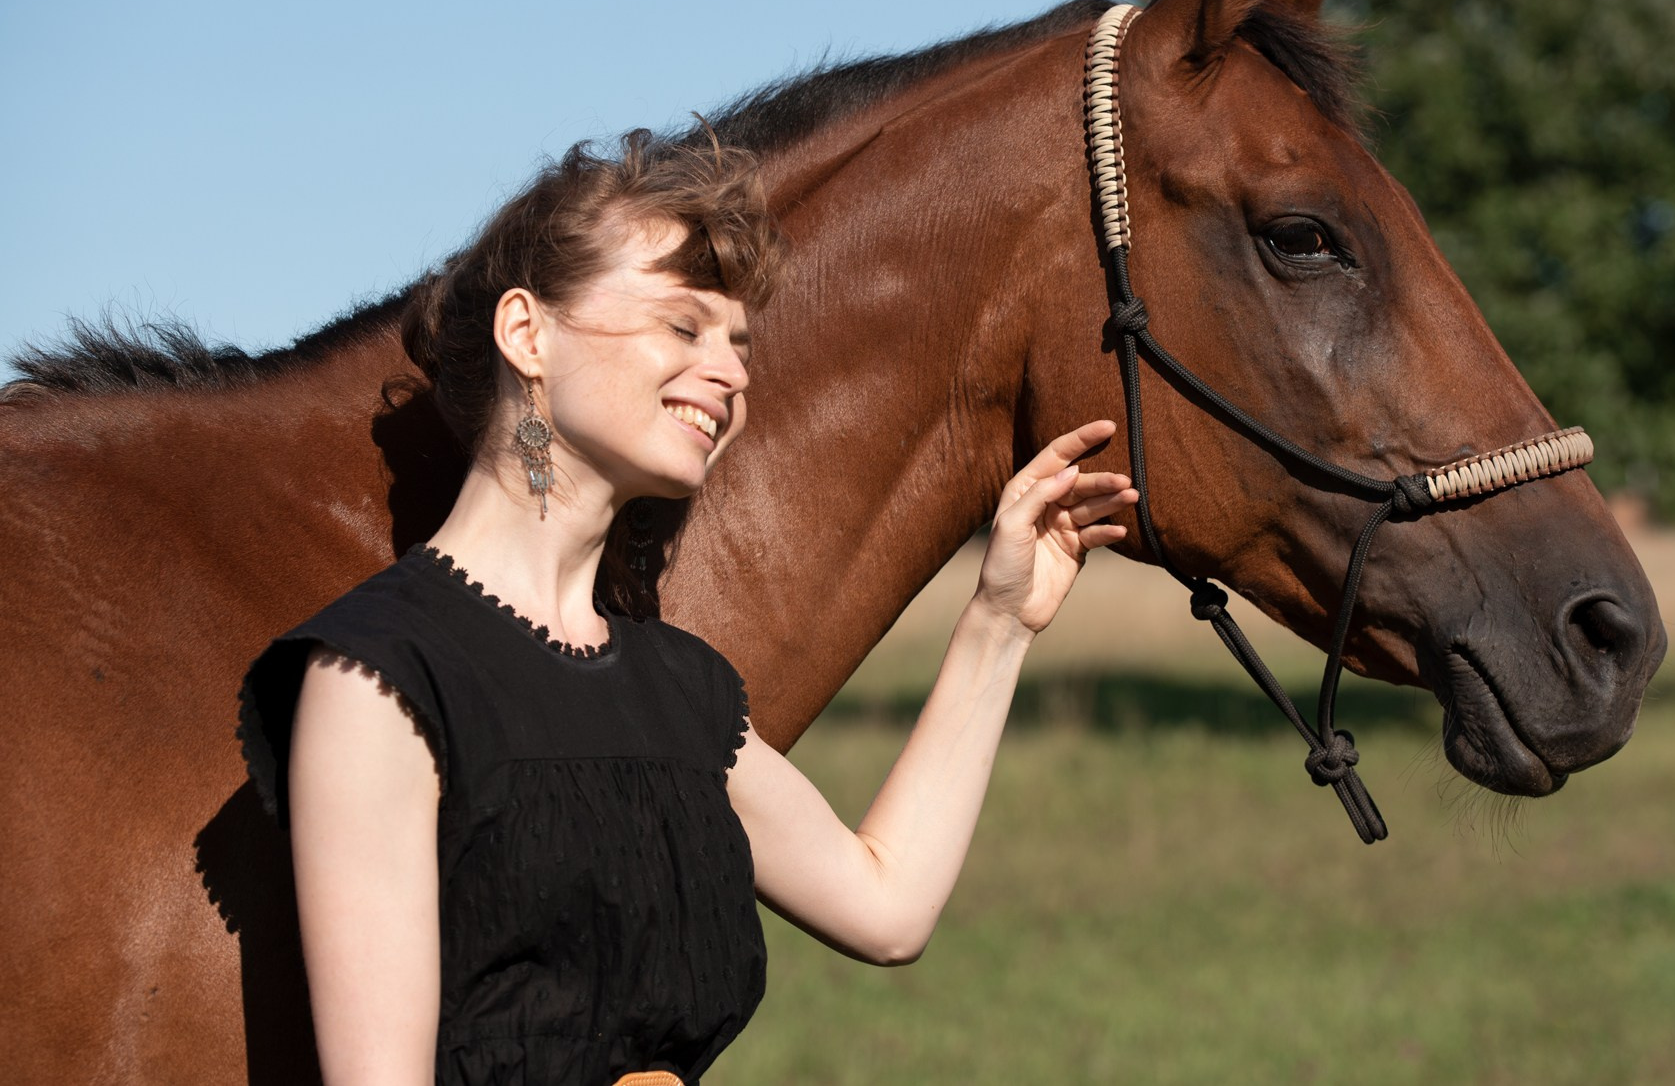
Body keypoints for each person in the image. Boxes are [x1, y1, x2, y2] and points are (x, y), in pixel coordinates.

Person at [236, 127, 1136, 1086]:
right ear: (526, 333)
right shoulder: (379, 675)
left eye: (739, 343)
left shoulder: (681, 691)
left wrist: (999, 620)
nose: (735, 373)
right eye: (683, 327)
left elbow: (887, 904)